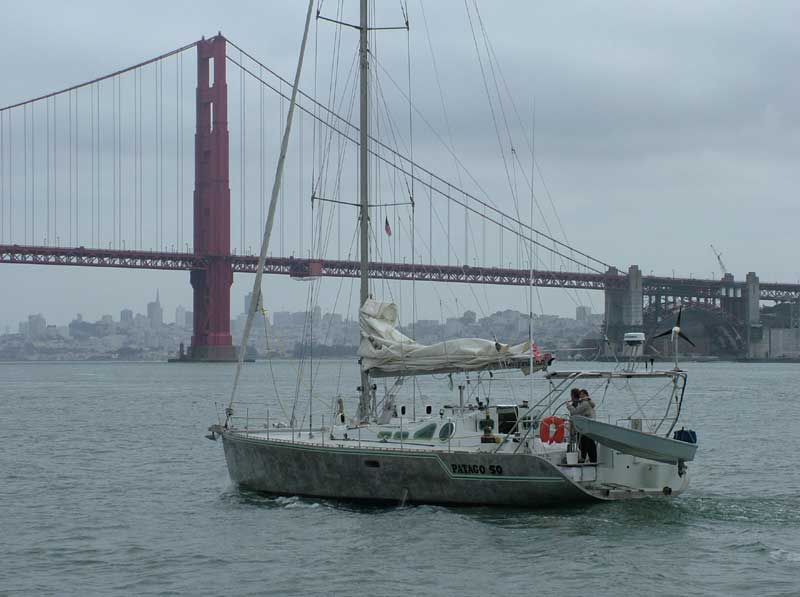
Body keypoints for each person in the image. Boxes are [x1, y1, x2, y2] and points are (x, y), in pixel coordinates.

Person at [567, 389, 597, 463]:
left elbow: (575, 412)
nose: (581, 396)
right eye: (581, 395)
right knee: (590, 443)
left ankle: (583, 458)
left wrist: (568, 406)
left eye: (583, 394)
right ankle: (593, 460)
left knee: (583, 443)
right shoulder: (588, 402)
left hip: (584, 426)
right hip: (589, 426)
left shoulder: (584, 403)